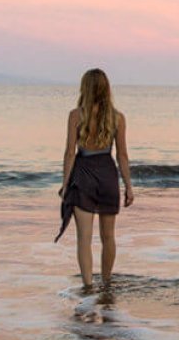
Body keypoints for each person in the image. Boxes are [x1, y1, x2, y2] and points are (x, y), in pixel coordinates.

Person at [56, 68, 133, 292]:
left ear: (85, 89)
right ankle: (106, 283)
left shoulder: (76, 115)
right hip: (108, 175)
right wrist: (128, 186)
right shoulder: (117, 118)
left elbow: (70, 153)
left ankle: (88, 287)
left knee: (84, 239)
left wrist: (65, 183)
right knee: (108, 237)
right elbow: (122, 155)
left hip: (83, 176)